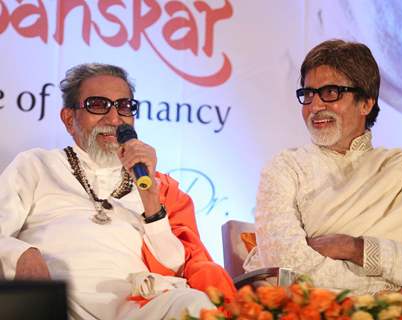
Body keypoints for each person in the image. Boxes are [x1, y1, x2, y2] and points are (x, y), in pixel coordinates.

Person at [0, 63, 235, 319]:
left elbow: (173, 266)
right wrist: (22, 254)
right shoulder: (36, 165)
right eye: (98, 105)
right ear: (69, 119)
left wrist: (150, 196)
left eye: (124, 107)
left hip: (134, 306)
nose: (114, 119)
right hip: (57, 302)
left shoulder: (149, 182)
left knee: (193, 303)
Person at [244, 39, 402, 295]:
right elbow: (290, 269)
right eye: (308, 94)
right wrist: (389, 293)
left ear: (366, 103)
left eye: (330, 92)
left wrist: (354, 248)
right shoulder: (285, 169)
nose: (315, 106)